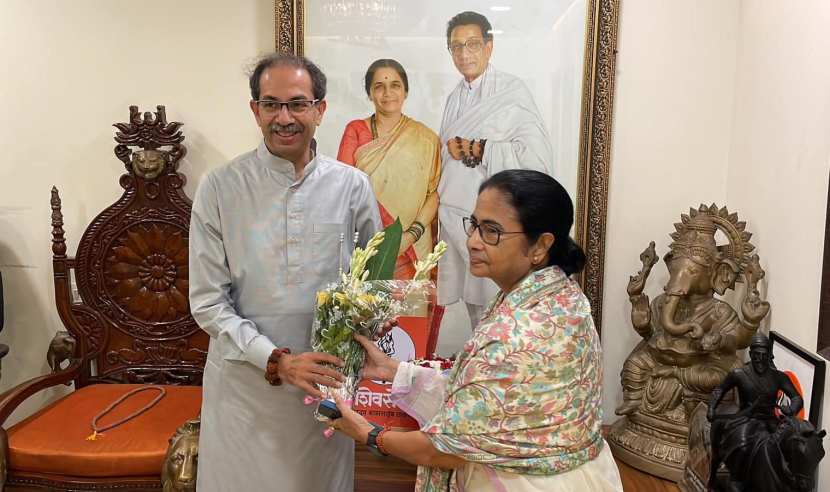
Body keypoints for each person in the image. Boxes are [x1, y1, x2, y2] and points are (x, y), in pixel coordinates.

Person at [326, 170, 623, 491]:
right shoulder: (561, 295)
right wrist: (393, 370)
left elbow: (445, 448)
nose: (472, 241)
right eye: (475, 225)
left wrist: (368, 433)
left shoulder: (513, 332)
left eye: (492, 231)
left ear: (541, 245)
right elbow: (491, 399)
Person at [189, 53, 382, 492]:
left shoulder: (352, 186)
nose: (284, 117)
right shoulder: (219, 187)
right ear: (255, 110)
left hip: (323, 388)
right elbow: (207, 302)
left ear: (320, 109)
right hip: (245, 387)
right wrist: (276, 360)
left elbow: (372, 283)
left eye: (297, 104)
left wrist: (362, 337)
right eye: (271, 104)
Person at [437, 11, 555, 329]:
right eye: (456, 46)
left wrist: (483, 149)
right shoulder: (453, 99)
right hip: (457, 219)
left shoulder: (512, 92)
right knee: (476, 310)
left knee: (502, 310)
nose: (464, 54)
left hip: (498, 225)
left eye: (473, 44)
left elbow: (538, 160)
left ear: (489, 46)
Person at [337, 59, 441, 280]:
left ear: (405, 91)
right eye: (379, 86)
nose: (387, 93)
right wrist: (378, 240)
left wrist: (409, 236)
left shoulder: (427, 138)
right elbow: (345, 189)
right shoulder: (356, 131)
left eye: (395, 85)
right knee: (367, 308)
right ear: (369, 93)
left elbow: (434, 194)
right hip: (369, 243)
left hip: (414, 245)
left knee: (411, 311)